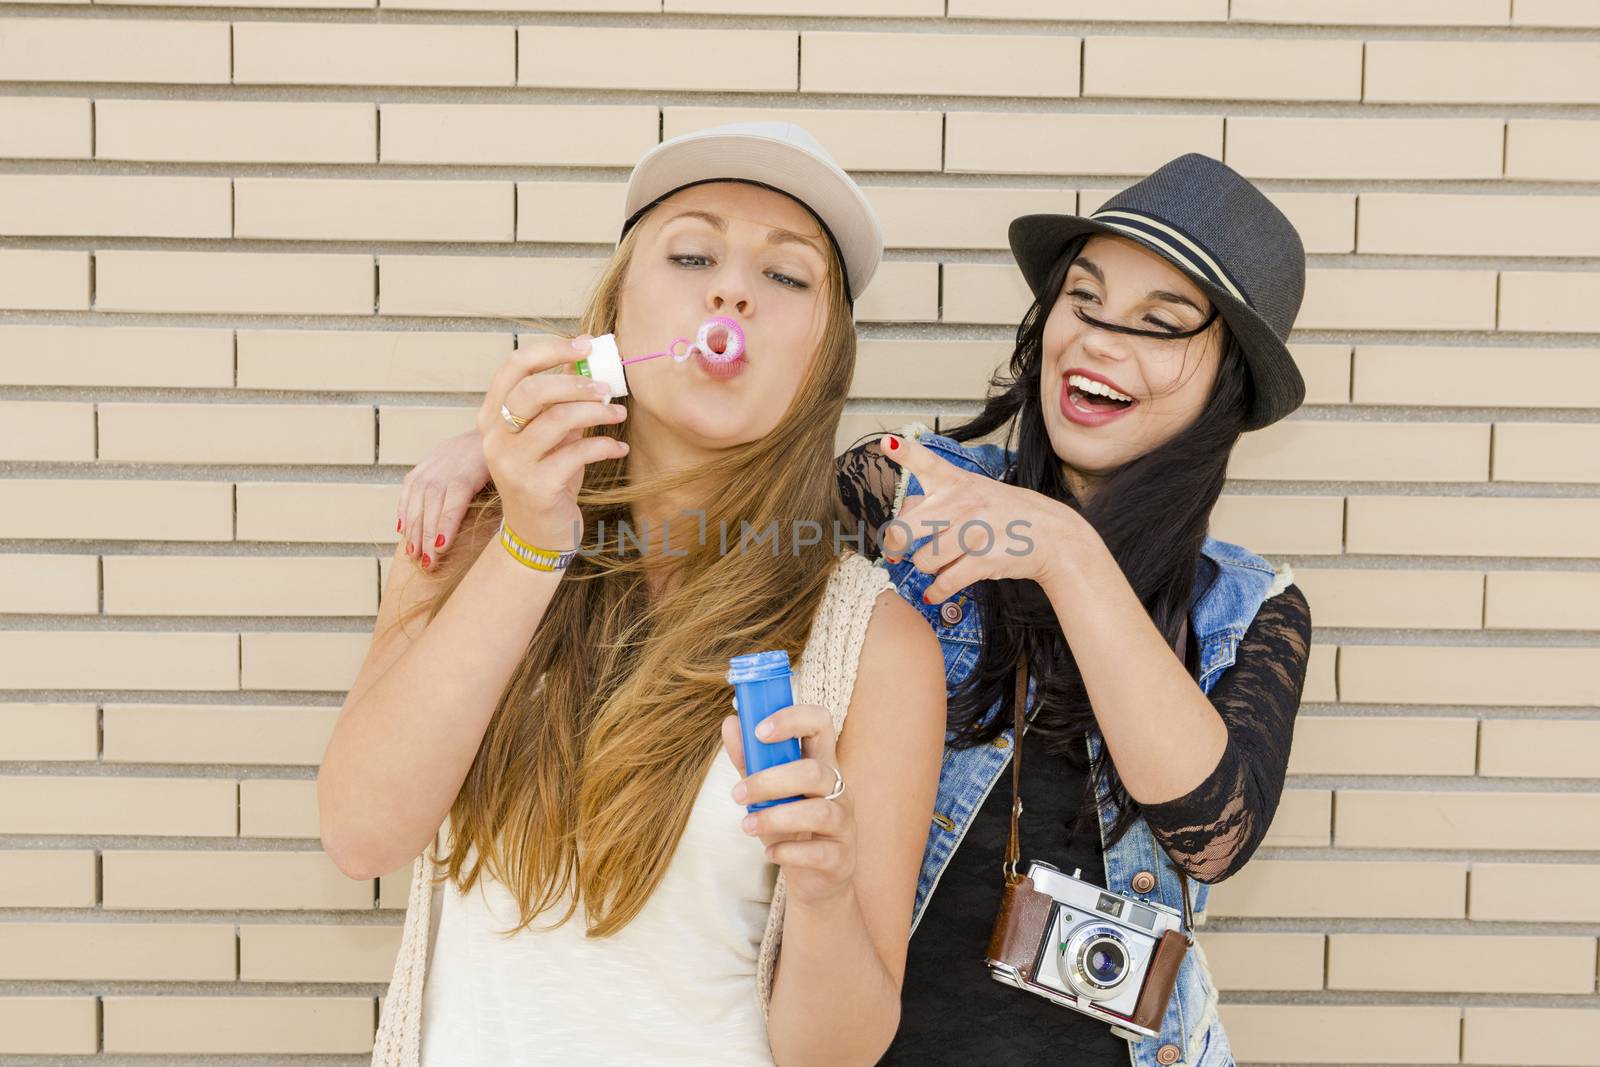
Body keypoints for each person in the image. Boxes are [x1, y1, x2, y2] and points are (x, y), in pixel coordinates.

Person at [397, 152, 1314, 1067]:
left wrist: (1068, 552)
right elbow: (720, 460)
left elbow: (1212, 829)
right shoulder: (910, 491)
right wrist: (511, 452)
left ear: (1227, 378)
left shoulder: (1245, 607)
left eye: (1160, 326)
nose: (1103, 342)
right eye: (1084, 301)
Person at [317, 121, 947, 1067]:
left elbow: (838, 1053)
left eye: (786, 277)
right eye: (692, 254)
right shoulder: (471, 534)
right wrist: (530, 543)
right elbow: (362, 835)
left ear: (824, 362)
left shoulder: (876, 644)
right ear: (613, 319)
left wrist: (823, 884)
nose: (731, 289)